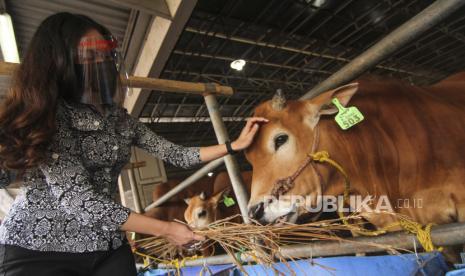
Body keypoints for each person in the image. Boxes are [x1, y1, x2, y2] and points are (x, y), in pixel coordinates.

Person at [0, 12, 267, 276]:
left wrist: (233, 145)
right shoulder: (53, 116)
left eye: (105, 55)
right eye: (90, 57)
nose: (101, 63)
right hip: (40, 249)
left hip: (105, 243)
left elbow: (176, 153)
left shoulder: (119, 120)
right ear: (60, 64)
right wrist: (165, 229)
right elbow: (80, 200)